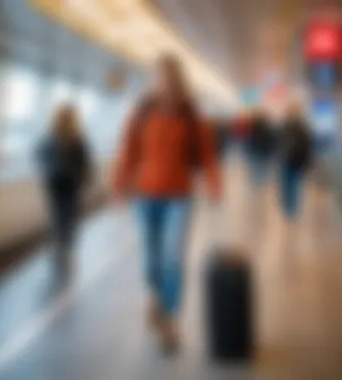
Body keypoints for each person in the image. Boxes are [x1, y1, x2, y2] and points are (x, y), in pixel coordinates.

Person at [113, 53, 220, 354]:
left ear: (180, 82)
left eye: (172, 80)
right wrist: (120, 184)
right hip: (145, 197)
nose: (167, 86)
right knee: (151, 262)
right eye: (161, 80)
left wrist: (213, 183)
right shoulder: (141, 113)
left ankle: (170, 320)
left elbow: (207, 154)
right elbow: (128, 152)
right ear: (154, 82)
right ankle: (156, 297)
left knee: (173, 258)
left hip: (179, 198)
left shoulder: (191, 116)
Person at [37, 104, 93, 282]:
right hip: (56, 184)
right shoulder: (52, 137)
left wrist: (82, 178)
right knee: (60, 216)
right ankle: (61, 246)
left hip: (70, 185)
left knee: (66, 216)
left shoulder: (77, 140)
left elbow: (85, 163)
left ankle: (65, 247)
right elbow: (40, 154)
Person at [279, 103, 312, 226]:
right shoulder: (297, 128)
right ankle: (289, 208)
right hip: (290, 160)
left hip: (292, 160)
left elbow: (307, 147)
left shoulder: (295, 129)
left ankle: (290, 208)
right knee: (290, 185)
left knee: (291, 185)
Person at [246, 109, 276, 189]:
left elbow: (250, 141)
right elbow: (270, 141)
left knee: (256, 171)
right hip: (263, 153)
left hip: (256, 152)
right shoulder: (267, 128)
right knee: (261, 171)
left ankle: (256, 186)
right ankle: (260, 185)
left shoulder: (253, 128)